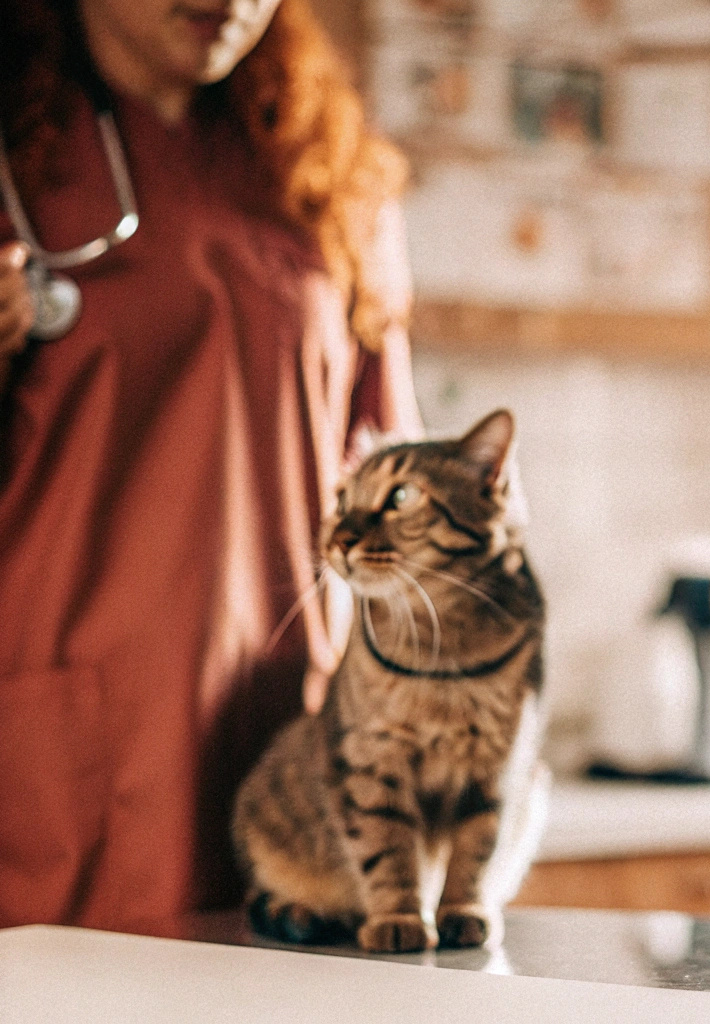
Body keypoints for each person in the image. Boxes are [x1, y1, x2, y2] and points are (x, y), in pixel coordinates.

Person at [0, 0, 423, 930]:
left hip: (291, 734)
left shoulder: (328, 174)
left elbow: (395, 467)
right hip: (66, 743)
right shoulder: (19, 158)